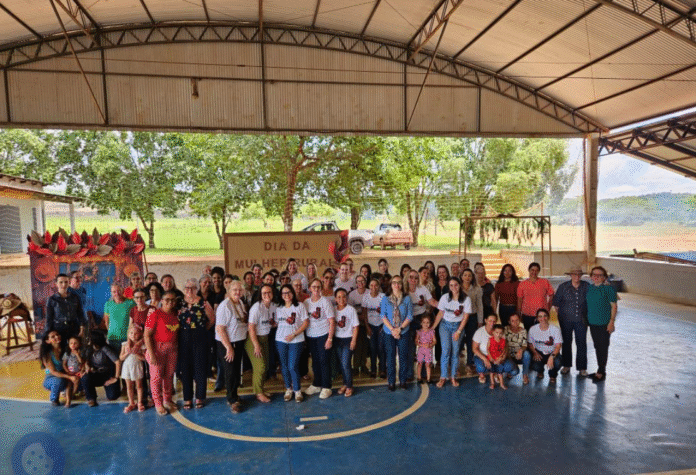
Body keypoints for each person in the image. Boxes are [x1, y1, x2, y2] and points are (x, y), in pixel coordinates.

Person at [179, 278, 215, 410]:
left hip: (200, 338)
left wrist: (202, 329)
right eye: (187, 288)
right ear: (184, 289)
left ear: (197, 289)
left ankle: (200, 397)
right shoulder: (179, 302)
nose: (189, 290)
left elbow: (212, 319)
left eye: (193, 288)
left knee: (200, 368)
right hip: (183, 338)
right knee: (185, 369)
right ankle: (187, 398)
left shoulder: (203, 302)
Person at [144, 291, 179, 415]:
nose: (170, 302)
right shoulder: (155, 314)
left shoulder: (176, 314)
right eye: (167, 300)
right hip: (157, 350)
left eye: (173, 300)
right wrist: (151, 354)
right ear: (162, 301)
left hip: (172, 350)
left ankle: (167, 400)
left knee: (169, 376)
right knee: (156, 378)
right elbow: (147, 335)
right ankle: (158, 403)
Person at [216, 280, 248, 413]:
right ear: (229, 291)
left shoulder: (239, 303)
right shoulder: (225, 306)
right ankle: (232, 400)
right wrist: (229, 347)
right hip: (228, 343)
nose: (237, 292)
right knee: (230, 372)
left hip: (238, 342)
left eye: (240, 290)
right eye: (234, 290)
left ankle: (235, 395)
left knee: (235, 371)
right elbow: (220, 328)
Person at [552, 265, 590, 376]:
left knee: (581, 343)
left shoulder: (587, 286)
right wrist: (562, 316)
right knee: (566, 342)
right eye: (574, 274)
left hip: (582, 320)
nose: (576, 276)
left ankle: (582, 368)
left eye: (579, 274)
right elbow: (556, 304)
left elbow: (592, 302)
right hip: (566, 320)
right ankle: (566, 365)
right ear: (571, 275)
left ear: (581, 276)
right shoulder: (563, 287)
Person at [433, 277, 470, 388]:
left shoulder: (466, 299)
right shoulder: (445, 297)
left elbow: (466, 317)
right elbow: (440, 313)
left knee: (455, 351)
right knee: (445, 351)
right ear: (449, 287)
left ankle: (453, 376)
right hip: (445, 325)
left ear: (460, 285)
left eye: (456, 285)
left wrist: (458, 331)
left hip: (457, 326)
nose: (454, 287)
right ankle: (443, 377)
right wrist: (433, 327)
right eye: (451, 285)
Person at [276, 284, 310, 402]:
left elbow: (306, 322)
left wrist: (294, 334)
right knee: (284, 366)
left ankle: (297, 390)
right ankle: (288, 388)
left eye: (289, 292)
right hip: (280, 340)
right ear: (281, 295)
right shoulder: (278, 308)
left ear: (293, 293)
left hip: (296, 340)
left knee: (293, 366)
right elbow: (276, 323)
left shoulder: (299, 306)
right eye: (284, 293)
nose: (287, 295)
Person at [304, 278, 336, 399]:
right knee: (315, 362)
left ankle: (327, 387)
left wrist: (330, 339)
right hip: (311, 336)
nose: (316, 289)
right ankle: (317, 384)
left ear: (321, 288)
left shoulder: (325, 302)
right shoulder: (306, 302)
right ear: (310, 288)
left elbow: (332, 321)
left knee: (324, 361)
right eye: (314, 287)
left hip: (323, 335)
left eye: (318, 287)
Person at [585, 266, 618, 383]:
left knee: (603, 347)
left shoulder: (609, 289)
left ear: (604, 277)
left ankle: (601, 372)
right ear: (591, 276)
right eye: (594, 274)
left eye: (600, 275)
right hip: (593, 323)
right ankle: (600, 369)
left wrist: (611, 322)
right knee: (597, 346)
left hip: (604, 324)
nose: (597, 277)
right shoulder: (589, 288)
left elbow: (614, 306)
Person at [381, 276, 413, 390]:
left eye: (399, 282)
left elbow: (410, 316)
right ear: (391, 284)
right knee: (390, 358)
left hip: (403, 331)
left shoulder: (407, 298)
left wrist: (399, 329)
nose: (396, 285)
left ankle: (403, 380)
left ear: (402, 285)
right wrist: (392, 329)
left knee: (403, 357)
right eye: (394, 282)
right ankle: (391, 382)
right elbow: (383, 316)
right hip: (389, 332)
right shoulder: (385, 298)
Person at [247, 284, 277, 403]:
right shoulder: (256, 308)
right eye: (264, 293)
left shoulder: (273, 306)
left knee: (266, 366)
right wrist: (256, 345)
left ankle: (261, 390)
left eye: (269, 292)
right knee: (260, 367)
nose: (267, 295)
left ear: (272, 293)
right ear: (260, 294)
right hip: (253, 339)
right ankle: (258, 393)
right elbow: (251, 328)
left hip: (265, 338)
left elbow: (272, 322)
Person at [407, 269, 438, 381]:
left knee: (426, 346)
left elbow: (432, 301)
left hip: (422, 318)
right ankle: (409, 374)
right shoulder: (405, 290)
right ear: (407, 278)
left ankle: (425, 374)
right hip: (409, 320)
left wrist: (445, 306)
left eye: (416, 277)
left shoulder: (423, 289)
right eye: (411, 277)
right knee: (410, 348)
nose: (413, 280)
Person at [40, 331, 79, 407]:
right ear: (48, 341)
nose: (57, 337)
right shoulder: (46, 354)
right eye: (53, 337)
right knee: (58, 381)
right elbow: (53, 372)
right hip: (52, 377)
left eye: (57, 334)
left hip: (65, 374)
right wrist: (70, 377)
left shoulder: (66, 349)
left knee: (78, 378)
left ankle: (70, 395)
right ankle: (54, 398)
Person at [83, 331, 122, 407]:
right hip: (97, 374)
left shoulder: (105, 348)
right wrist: (88, 368)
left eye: (89, 339)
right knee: (85, 377)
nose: (88, 341)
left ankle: (114, 387)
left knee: (112, 396)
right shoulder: (89, 349)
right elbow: (86, 361)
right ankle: (91, 399)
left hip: (108, 374)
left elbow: (117, 362)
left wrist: (116, 378)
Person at [472, 314, 514, 384]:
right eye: (490, 321)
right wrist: (485, 359)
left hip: (497, 356)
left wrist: (502, 357)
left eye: (494, 321)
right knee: (481, 368)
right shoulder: (479, 332)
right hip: (483, 355)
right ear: (485, 320)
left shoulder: (500, 331)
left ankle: (495, 372)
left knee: (510, 367)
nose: (492, 323)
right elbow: (474, 349)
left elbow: (505, 347)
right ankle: (482, 373)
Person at [45, 273, 86, 344]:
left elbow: (80, 314)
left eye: (66, 282)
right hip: (58, 329)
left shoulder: (75, 297)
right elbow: (49, 318)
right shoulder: (52, 299)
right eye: (61, 282)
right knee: (61, 348)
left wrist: (82, 329)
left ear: (69, 283)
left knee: (74, 348)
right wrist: (48, 334)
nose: (63, 284)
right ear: (56, 284)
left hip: (74, 327)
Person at [334, 288, 360, 397]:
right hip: (337, 339)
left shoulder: (351, 310)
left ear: (347, 298)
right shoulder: (333, 310)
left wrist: (353, 340)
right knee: (342, 364)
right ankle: (345, 383)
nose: (341, 299)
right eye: (339, 297)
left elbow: (356, 326)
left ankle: (349, 386)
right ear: (335, 299)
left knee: (346, 364)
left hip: (348, 339)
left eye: (344, 296)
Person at [528, 308, 563, 383]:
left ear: (548, 317)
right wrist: (535, 353)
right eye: (540, 316)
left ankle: (552, 375)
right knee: (534, 365)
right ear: (537, 318)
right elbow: (530, 344)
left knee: (557, 362)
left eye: (545, 316)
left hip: (552, 352)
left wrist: (552, 356)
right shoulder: (533, 329)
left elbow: (558, 346)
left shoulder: (555, 329)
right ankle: (540, 371)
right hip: (539, 352)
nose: (543, 318)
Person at [517, 262, 554, 331]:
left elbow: (552, 295)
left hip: (541, 315)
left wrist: (548, 309)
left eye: (536, 270)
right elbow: (519, 299)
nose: (534, 272)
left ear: (539, 271)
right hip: (527, 315)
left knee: (542, 334)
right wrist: (519, 313)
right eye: (532, 270)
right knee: (529, 334)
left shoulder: (545, 282)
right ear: (529, 270)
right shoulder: (522, 284)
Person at [461, 268, 483, 375]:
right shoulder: (457, 287)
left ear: (472, 277)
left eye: (469, 275)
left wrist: (480, 320)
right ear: (461, 277)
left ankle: (469, 363)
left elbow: (479, 305)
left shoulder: (477, 289)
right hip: (459, 318)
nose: (467, 277)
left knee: (471, 341)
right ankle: (455, 364)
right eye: (465, 275)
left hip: (472, 318)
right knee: (458, 340)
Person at [119, 325, 146, 413]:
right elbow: (121, 358)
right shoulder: (124, 344)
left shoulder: (141, 345)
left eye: (136, 333)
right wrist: (127, 353)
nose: (133, 335)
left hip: (137, 367)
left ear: (140, 334)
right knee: (129, 387)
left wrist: (136, 353)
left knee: (139, 386)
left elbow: (144, 358)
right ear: (128, 334)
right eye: (131, 333)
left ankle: (139, 402)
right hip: (127, 367)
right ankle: (131, 403)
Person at [363, 278, 386, 378]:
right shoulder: (366, 297)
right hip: (371, 326)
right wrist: (367, 327)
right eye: (371, 285)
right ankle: (373, 370)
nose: (374, 287)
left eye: (376, 285)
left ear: (379, 286)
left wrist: (384, 325)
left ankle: (382, 369)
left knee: (381, 348)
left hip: (381, 325)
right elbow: (364, 313)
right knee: (373, 348)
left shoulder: (383, 296)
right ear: (369, 287)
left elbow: (386, 312)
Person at [348, 275, 370, 375]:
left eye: (362, 281)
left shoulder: (369, 292)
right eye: (358, 281)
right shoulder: (352, 295)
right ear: (356, 283)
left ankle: (363, 365)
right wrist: (359, 316)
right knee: (357, 345)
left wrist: (365, 318)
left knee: (365, 345)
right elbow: (349, 310)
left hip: (368, 321)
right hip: (356, 322)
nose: (360, 283)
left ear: (365, 282)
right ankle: (356, 366)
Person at [103, 284, 135, 350]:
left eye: (119, 291)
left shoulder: (131, 303)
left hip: (127, 338)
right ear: (111, 293)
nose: (117, 293)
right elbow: (107, 322)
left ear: (122, 291)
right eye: (114, 292)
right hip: (112, 338)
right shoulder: (108, 304)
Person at [504, 313, 531, 384]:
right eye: (512, 321)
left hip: (519, 355)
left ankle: (525, 375)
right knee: (514, 372)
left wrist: (520, 350)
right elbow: (503, 344)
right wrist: (508, 356)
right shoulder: (505, 329)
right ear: (509, 321)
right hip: (508, 355)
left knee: (527, 354)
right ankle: (511, 368)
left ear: (519, 321)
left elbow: (524, 345)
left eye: (517, 320)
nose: (515, 322)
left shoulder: (523, 331)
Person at [415, 315, 436, 384]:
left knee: (428, 364)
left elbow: (434, 341)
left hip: (428, 350)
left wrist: (430, 345)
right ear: (421, 323)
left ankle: (428, 378)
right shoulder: (419, 332)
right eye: (424, 322)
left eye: (427, 322)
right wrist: (420, 344)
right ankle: (419, 377)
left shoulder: (431, 332)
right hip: (421, 350)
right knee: (420, 364)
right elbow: (416, 341)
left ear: (430, 323)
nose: (425, 324)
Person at [487, 324, 508, 390]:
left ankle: (502, 384)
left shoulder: (503, 341)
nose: (498, 335)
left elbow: (503, 351)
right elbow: (488, 349)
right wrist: (490, 357)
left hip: (499, 359)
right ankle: (492, 383)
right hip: (492, 359)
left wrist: (500, 358)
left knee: (500, 373)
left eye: (500, 333)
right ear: (493, 332)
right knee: (492, 372)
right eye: (497, 332)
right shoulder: (490, 340)